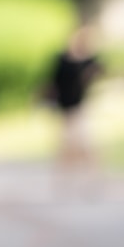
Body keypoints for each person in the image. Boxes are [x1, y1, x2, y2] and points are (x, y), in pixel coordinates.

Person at [47, 24, 103, 186]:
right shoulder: (62, 59)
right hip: (64, 108)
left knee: (83, 142)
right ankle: (65, 179)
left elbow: (99, 73)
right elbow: (52, 81)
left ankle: (91, 177)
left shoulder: (89, 61)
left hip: (80, 107)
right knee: (67, 146)